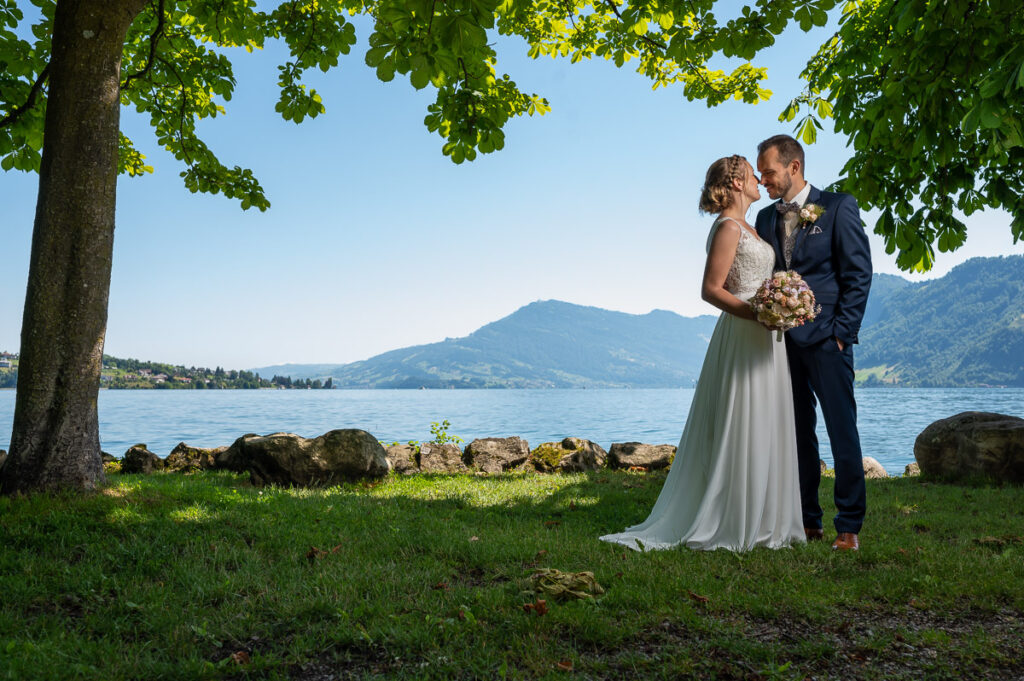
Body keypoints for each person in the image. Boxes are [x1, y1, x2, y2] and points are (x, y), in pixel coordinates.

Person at [600, 155, 804, 552]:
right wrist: (757, 313)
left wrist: (782, 305)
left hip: (766, 335)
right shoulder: (729, 228)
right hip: (745, 332)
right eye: (751, 175)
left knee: (765, 420)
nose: (759, 180)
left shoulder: (751, 227)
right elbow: (711, 289)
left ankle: (765, 519)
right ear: (733, 184)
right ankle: (731, 517)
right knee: (740, 421)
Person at [754, 134, 872, 552]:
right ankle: (807, 521)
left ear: (794, 168)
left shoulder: (839, 207)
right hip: (781, 344)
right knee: (797, 433)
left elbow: (858, 274)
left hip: (828, 340)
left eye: (768, 171)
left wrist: (842, 333)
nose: (762, 179)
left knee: (842, 430)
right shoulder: (766, 218)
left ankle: (848, 526)